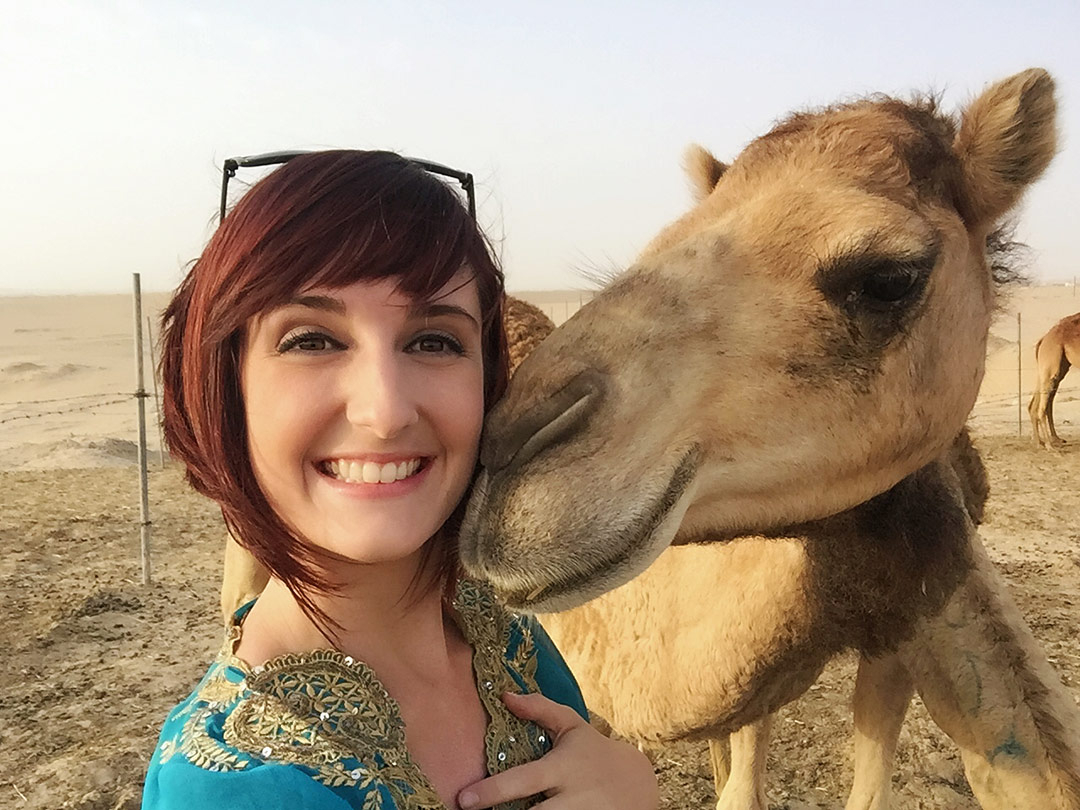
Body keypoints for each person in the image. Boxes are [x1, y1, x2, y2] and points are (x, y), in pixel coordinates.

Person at [141, 150, 659, 810]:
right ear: (224, 386)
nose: (384, 412)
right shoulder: (223, 786)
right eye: (311, 339)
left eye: (434, 341)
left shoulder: (511, 646)